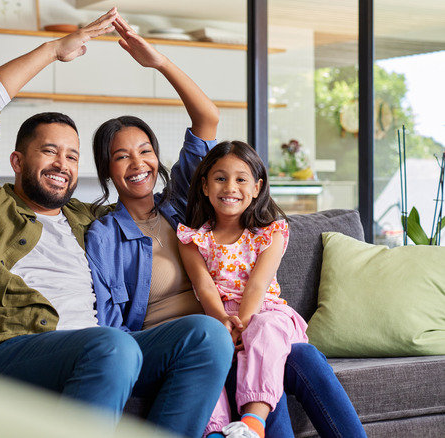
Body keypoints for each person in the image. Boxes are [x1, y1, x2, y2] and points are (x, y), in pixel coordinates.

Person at [0, 8, 233, 437]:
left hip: (102, 350)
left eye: (72, 156)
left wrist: (159, 64)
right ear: (17, 161)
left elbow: (204, 131)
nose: (62, 164)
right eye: (50, 152)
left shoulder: (91, 221)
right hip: (6, 351)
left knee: (207, 335)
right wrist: (54, 49)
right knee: (111, 346)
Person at [85, 17, 367, 438]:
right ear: (107, 169)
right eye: (121, 156)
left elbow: (207, 118)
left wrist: (159, 62)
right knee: (249, 354)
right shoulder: (104, 234)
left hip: (233, 326)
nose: (137, 162)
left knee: (300, 357)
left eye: (145, 150)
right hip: (178, 345)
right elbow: (109, 322)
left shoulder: (182, 206)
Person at [176, 141, 304, 438]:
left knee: (265, 328)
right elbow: (205, 287)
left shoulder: (271, 232)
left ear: (257, 187)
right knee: (201, 351)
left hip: (263, 312)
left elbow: (258, 286)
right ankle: (216, 432)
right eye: (220, 178)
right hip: (218, 317)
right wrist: (223, 323)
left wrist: (243, 325)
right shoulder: (193, 239)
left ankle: (253, 423)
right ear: (205, 187)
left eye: (241, 179)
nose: (230, 187)